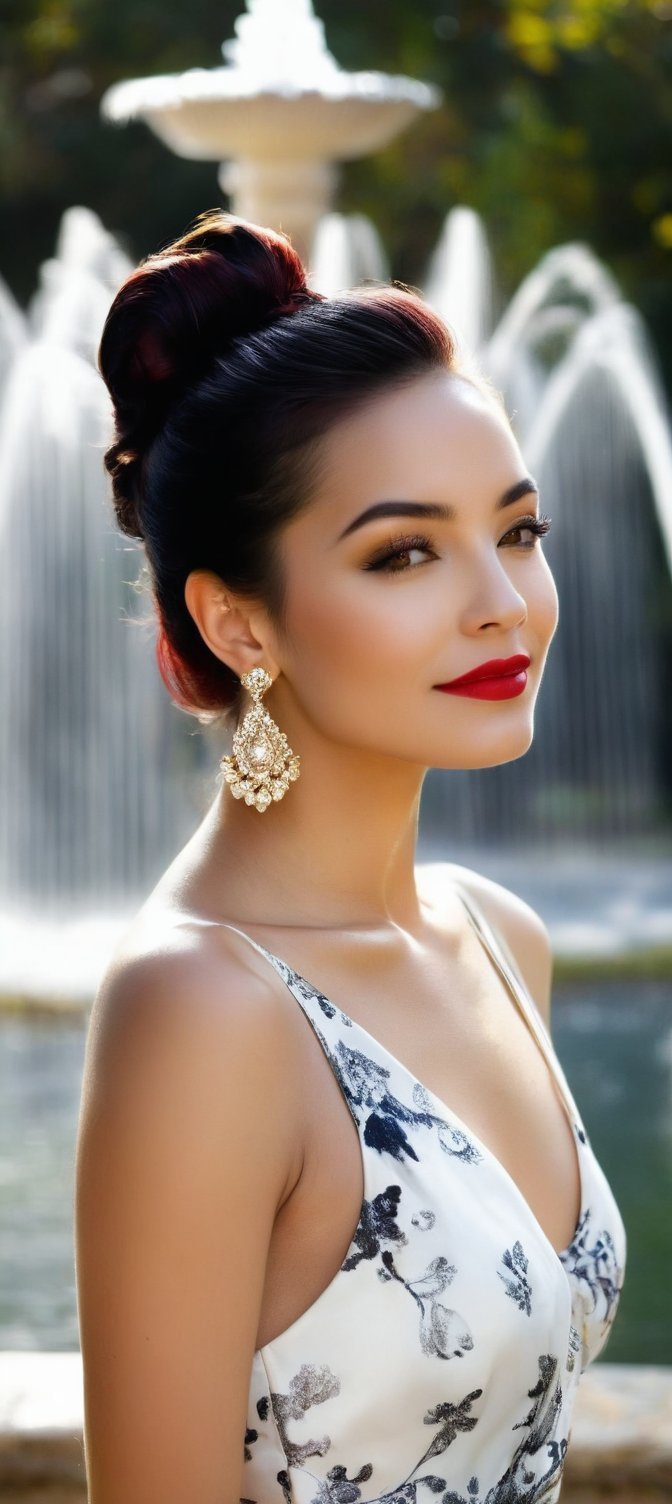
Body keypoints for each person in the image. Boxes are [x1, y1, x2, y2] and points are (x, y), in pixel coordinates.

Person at [74, 210, 626, 1504]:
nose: (500, 597)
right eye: (405, 552)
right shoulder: (203, 1009)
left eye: (520, 530)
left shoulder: (500, 940)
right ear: (236, 621)